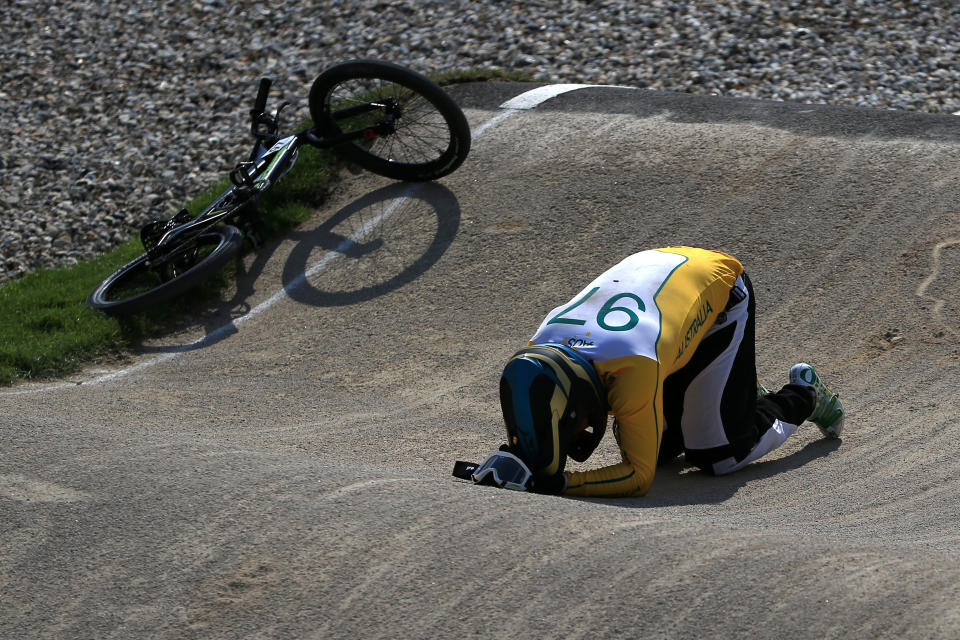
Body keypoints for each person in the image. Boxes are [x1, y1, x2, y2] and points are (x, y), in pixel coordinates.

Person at [485, 246, 844, 498]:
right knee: (663, 447)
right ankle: (736, 391)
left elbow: (638, 479)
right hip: (662, 276)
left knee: (718, 455)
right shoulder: (538, 349)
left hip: (718, 290)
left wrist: (560, 484)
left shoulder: (632, 370)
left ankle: (805, 395)